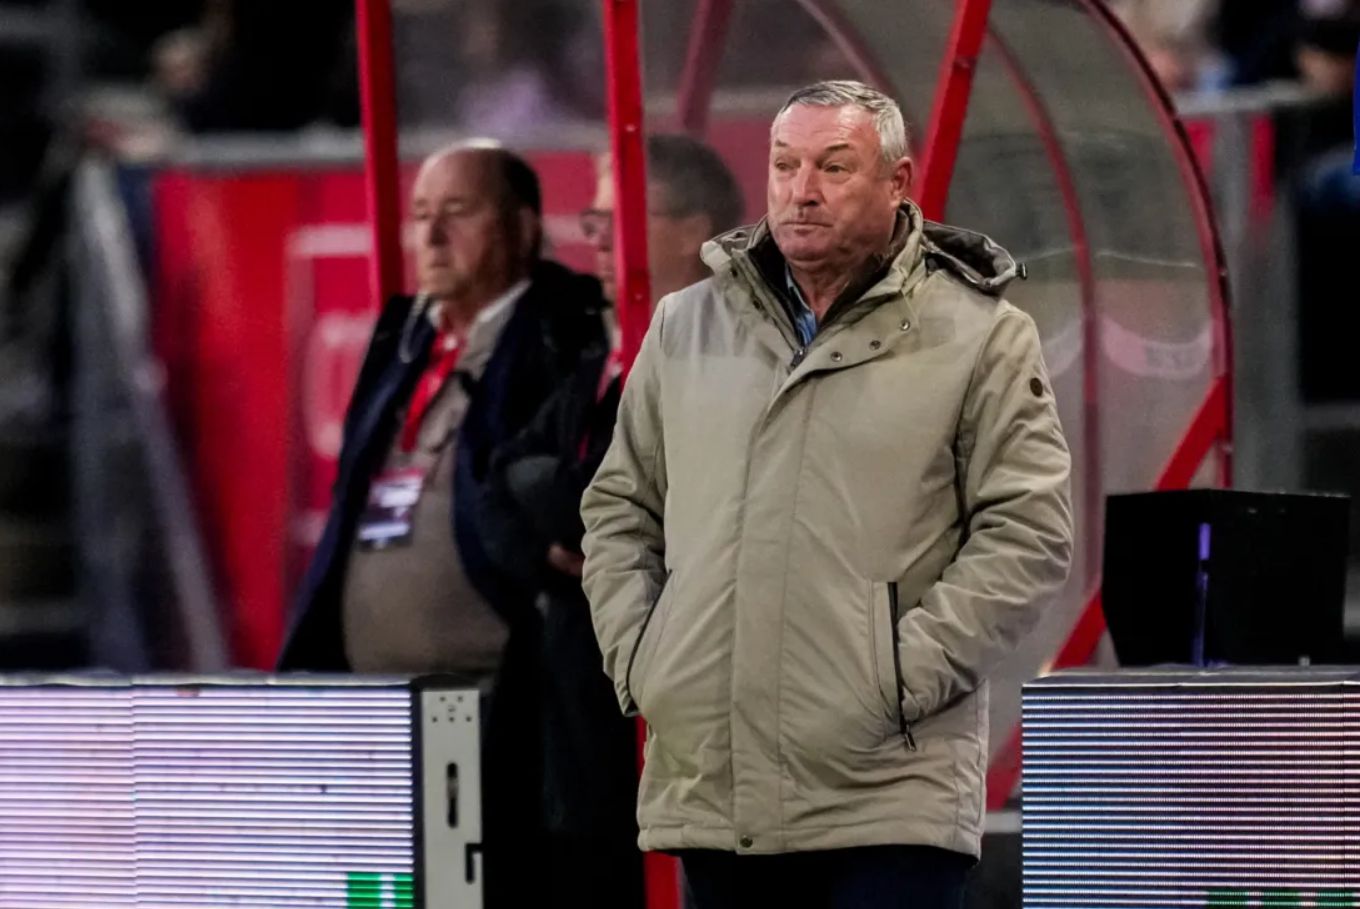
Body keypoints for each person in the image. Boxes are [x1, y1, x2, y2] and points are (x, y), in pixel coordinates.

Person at [580, 80, 1074, 909]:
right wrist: (646, 660)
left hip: (889, 796)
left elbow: (1028, 535)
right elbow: (619, 509)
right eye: (785, 165)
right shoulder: (684, 325)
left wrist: (895, 680)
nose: (801, 190)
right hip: (718, 791)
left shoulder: (983, 334)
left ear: (897, 182)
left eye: (834, 167)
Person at [277, 142, 607, 907]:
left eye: (457, 212)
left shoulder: (558, 329)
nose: (429, 236)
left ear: (524, 227)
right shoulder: (403, 336)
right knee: (377, 895)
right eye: (421, 214)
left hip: (493, 713)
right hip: (372, 713)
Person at [472, 134, 743, 908]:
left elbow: (609, 499)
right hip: (572, 717)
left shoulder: (731, 351)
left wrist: (556, 499)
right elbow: (499, 482)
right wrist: (551, 546)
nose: (594, 240)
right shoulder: (605, 354)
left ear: (693, 233)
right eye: (591, 221)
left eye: (615, 218)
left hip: (668, 725)